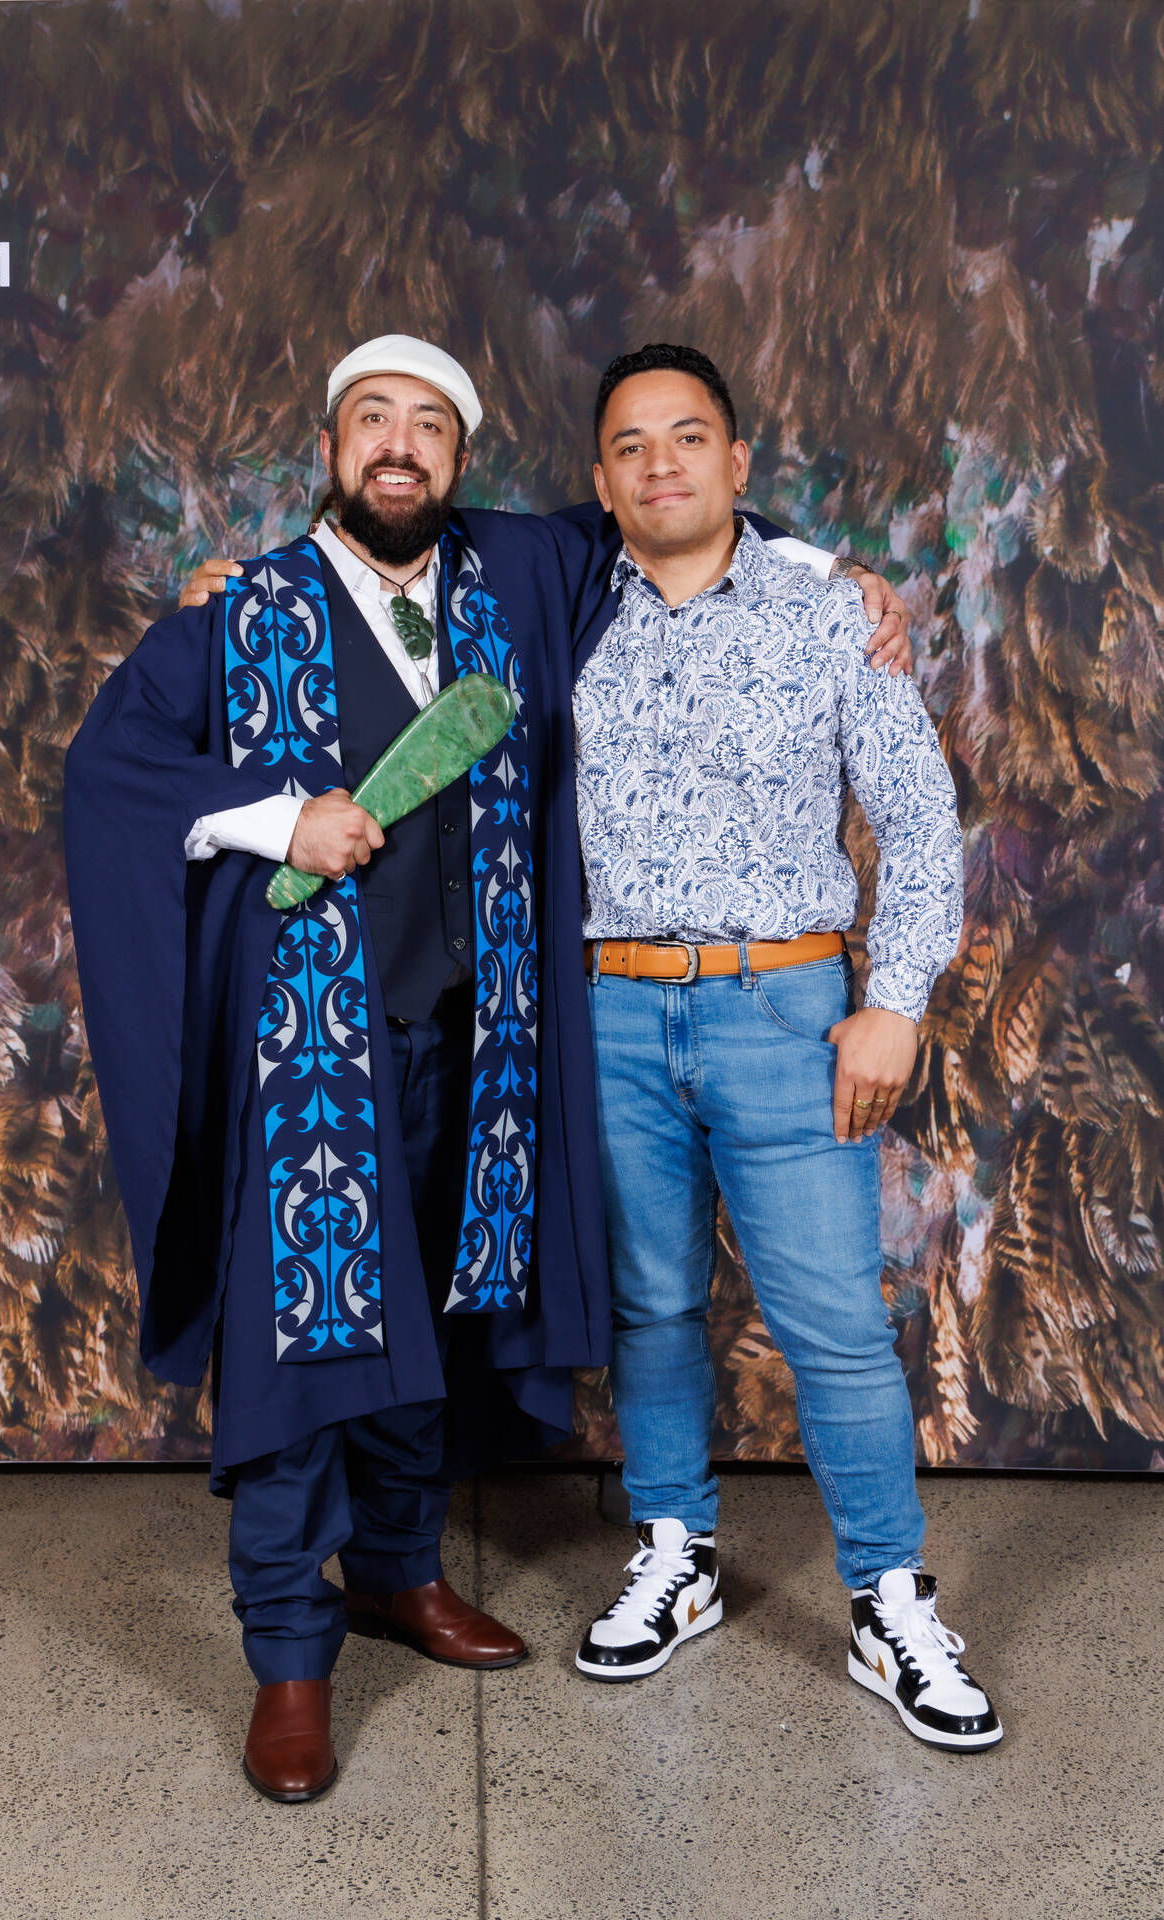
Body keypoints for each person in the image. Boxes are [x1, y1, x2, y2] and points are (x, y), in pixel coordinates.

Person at [150, 337, 915, 1802]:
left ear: (460, 457)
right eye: (371, 420)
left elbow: (676, 514)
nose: (398, 446)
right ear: (331, 447)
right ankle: (291, 1652)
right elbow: (122, 771)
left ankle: (396, 1570)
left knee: (429, 1320)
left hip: (481, 1040)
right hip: (313, 1050)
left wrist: (837, 573)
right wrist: (273, 822)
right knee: (305, 1333)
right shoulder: (246, 605)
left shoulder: (514, 572)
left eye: (427, 426)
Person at [564, 343, 1000, 1753]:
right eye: (631, 445)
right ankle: (674, 1552)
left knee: (833, 1324)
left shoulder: (826, 615)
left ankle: (887, 1603)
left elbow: (919, 822)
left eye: (689, 436)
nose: (661, 464)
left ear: (737, 461)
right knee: (651, 1307)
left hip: (786, 1008)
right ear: (599, 481)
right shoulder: (564, 610)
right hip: (612, 1010)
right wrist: (231, 595)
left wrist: (895, 1000)